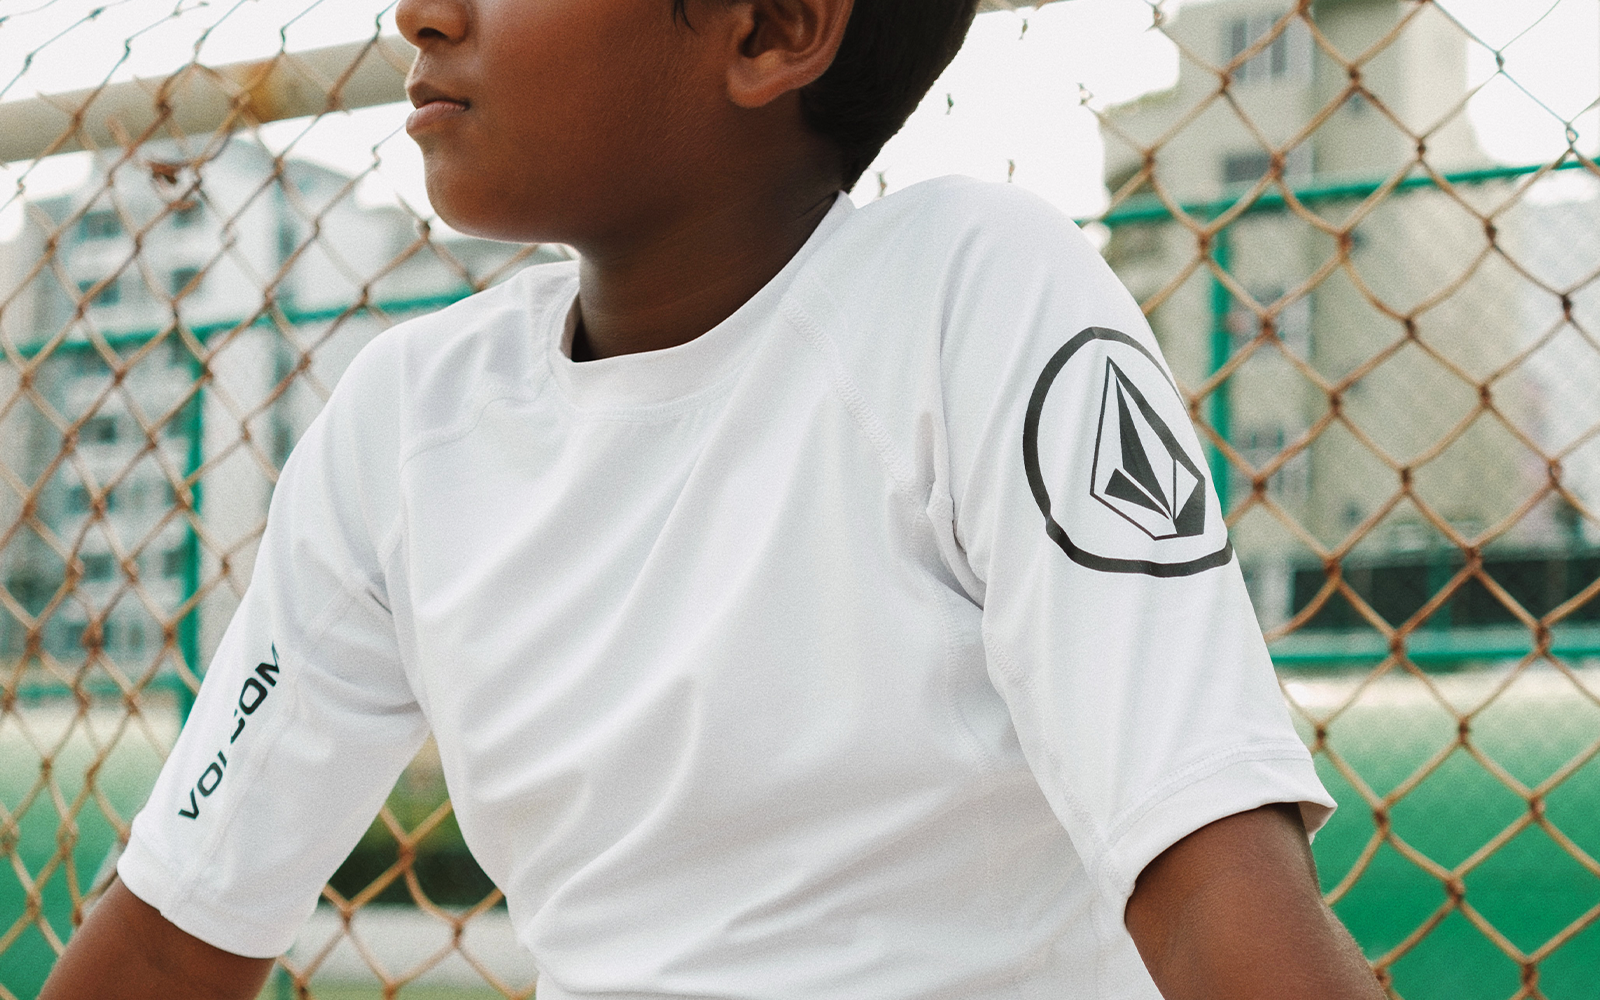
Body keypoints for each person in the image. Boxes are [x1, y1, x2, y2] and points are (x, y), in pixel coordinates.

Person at [42, 1, 1384, 998]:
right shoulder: (407, 420)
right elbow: (175, 938)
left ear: (771, 30)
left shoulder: (967, 293)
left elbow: (1211, 886)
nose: (421, 14)